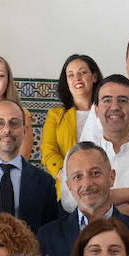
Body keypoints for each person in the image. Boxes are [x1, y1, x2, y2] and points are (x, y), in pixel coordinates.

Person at [59, 75, 129, 218]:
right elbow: (70, 203)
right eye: (107, 100)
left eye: (122, 100)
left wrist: (96, 210)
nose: (115, 107)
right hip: (88, 238)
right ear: (96, 110)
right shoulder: (77, 156)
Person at [0, 100, 61, 234]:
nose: (7, 129)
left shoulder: (44, 182)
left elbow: (48, 234)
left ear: (25, 131)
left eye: (14, 123)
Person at [41, 54, 102, 188]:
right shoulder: (55, 116)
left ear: (94, 77)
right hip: (66, 188)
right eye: (71, 75)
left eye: (82, 72)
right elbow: (48, 151)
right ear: (67, 82)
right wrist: (67, 177)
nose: (77, 78)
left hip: (102, 186)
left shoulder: (105, 113)